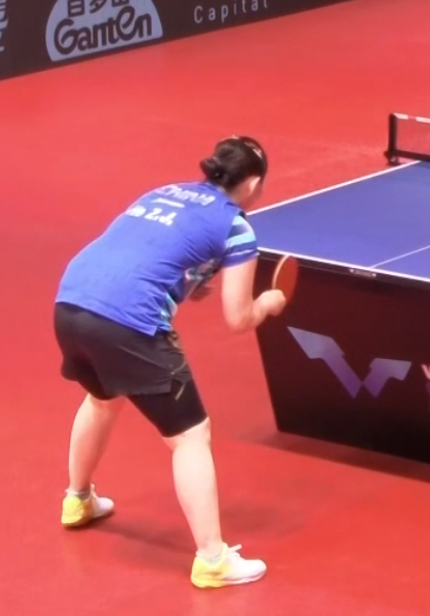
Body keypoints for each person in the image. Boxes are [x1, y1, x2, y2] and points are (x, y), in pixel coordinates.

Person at [51, 136, 287, 589]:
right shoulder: (236, 227)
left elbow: (150, 249)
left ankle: (77, 499)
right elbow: (238, 318)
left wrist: (190, 280)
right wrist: (270, 302)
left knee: (102, 398)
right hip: (127, 321)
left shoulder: (163, 192)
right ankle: (213, 559)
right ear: (253, 183)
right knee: (191, 436)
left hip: (71, 303)